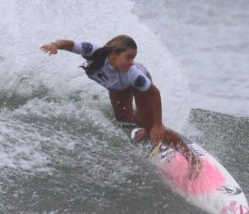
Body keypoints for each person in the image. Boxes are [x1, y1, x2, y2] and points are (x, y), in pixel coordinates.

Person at [40, 35, 201, 177]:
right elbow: (71, 44)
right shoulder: (94, 52)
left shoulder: (133, 73)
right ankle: (144, 127)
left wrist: (157, 125)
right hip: (118, 86)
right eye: (128, 57)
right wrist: (56, 45)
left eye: (133, 58)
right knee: (123, 117)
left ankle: (191, 157)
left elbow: (153, 93)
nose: (131, 62)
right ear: (114, 54)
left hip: (138, 86)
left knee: (150, 124)